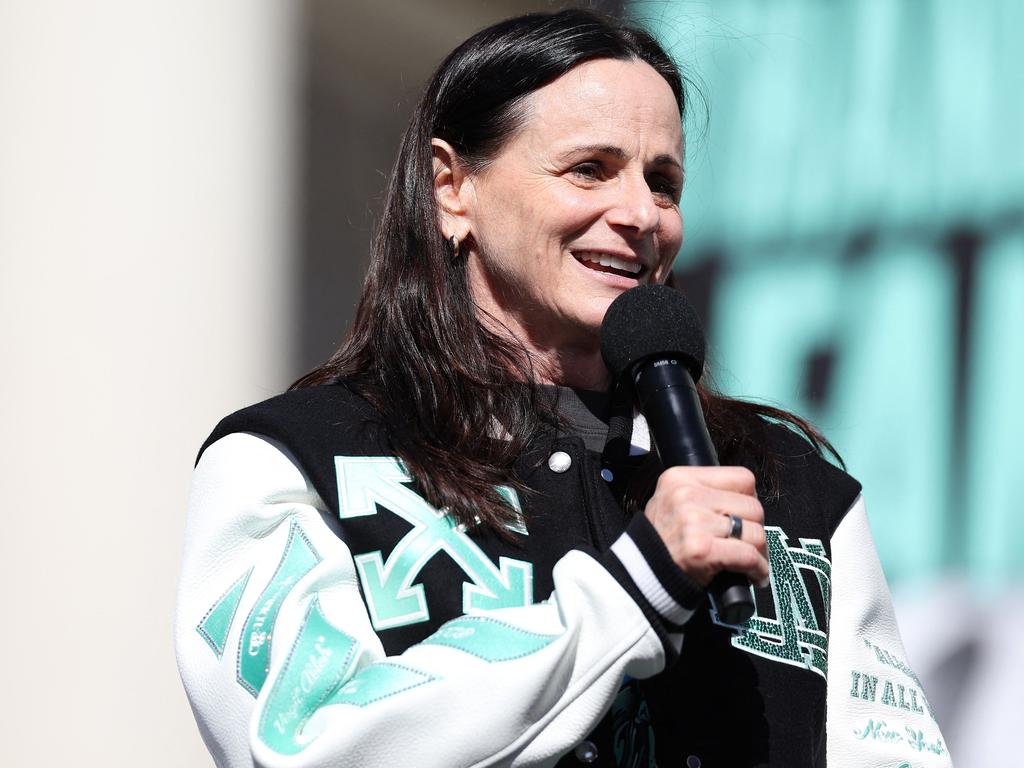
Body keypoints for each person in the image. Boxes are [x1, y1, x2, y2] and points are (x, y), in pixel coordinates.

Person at [175, 10, 952, 768]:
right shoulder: (292, 461)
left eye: (664, 182)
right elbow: (299, 745)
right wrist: (636, 585)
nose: (642, 215)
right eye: (590, 169)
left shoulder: (794, 489)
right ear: (452, 188)